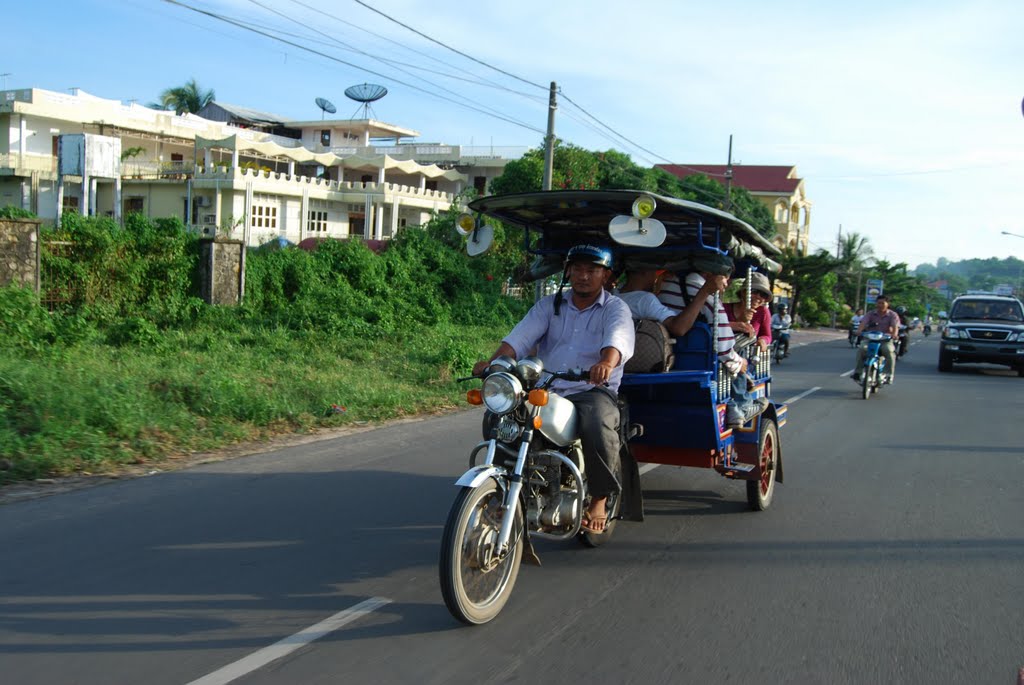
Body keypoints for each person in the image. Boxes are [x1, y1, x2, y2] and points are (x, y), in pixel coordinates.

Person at [472, 244, 634, 535]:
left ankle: (599, 498)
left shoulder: (615, 308)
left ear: (606, 275)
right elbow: (519, 340)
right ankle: (507, 487)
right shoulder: (550, 305)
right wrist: (495, 363)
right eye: (578, 269)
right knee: (500, 416)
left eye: (592, 270)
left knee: (597, 423)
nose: (584, 276)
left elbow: (617, 340)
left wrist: (606, 363)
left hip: (591, 388)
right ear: (568, 271)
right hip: (546, 386)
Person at [658, 254, 767, 426]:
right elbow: (724, 347)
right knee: (735, 354)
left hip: (665, 356)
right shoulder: (708, 298)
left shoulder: (667, 284)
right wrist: (740, 364)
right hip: (699, 363)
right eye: (725, 278)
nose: (725, 285)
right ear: (711, 274)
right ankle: (742, 406)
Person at [617, 266, 724, 338]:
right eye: (655, 272)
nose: (656, 277)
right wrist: (705, 291)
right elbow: (679, 328)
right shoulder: (644, 300)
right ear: (644, 271)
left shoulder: (613, 294)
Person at [852, 294, 900, 383]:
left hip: (885, 340)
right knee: (862, 349)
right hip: (870, 339)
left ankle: (888, 375)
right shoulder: (870, 313)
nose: (880, 305)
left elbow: (895, 326)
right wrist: (859, 331)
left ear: (887, 304)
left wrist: (894, 334)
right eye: (878, 303)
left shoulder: (892, 315)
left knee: (889, 351)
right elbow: (863, 322)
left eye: (882, 303)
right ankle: (858, 372)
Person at [725, 271, 773, 354]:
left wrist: (762, 340)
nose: (758, 296)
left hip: (747, 357)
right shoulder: (724, 308)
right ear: (743, 292)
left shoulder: (763, 311)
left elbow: (767, 335)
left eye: (763, 294)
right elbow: (714, 327)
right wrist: (737, 323)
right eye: (754, 291)